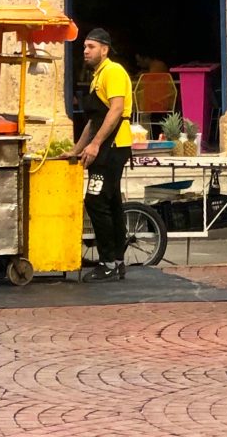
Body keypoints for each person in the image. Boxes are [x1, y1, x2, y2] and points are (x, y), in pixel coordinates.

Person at [70, 28, 133, 282]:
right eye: (84, 47)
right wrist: (76, 149)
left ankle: (107, 262)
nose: (86, 51)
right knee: (110, 201)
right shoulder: (97, 77)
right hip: (104, 144)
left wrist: (95, 145)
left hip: (114, 146)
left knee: (96, 200)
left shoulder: (114, 71)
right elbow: (94, 121)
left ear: (104, 49)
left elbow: (116, 110)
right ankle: (117, 261)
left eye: (91, 47)